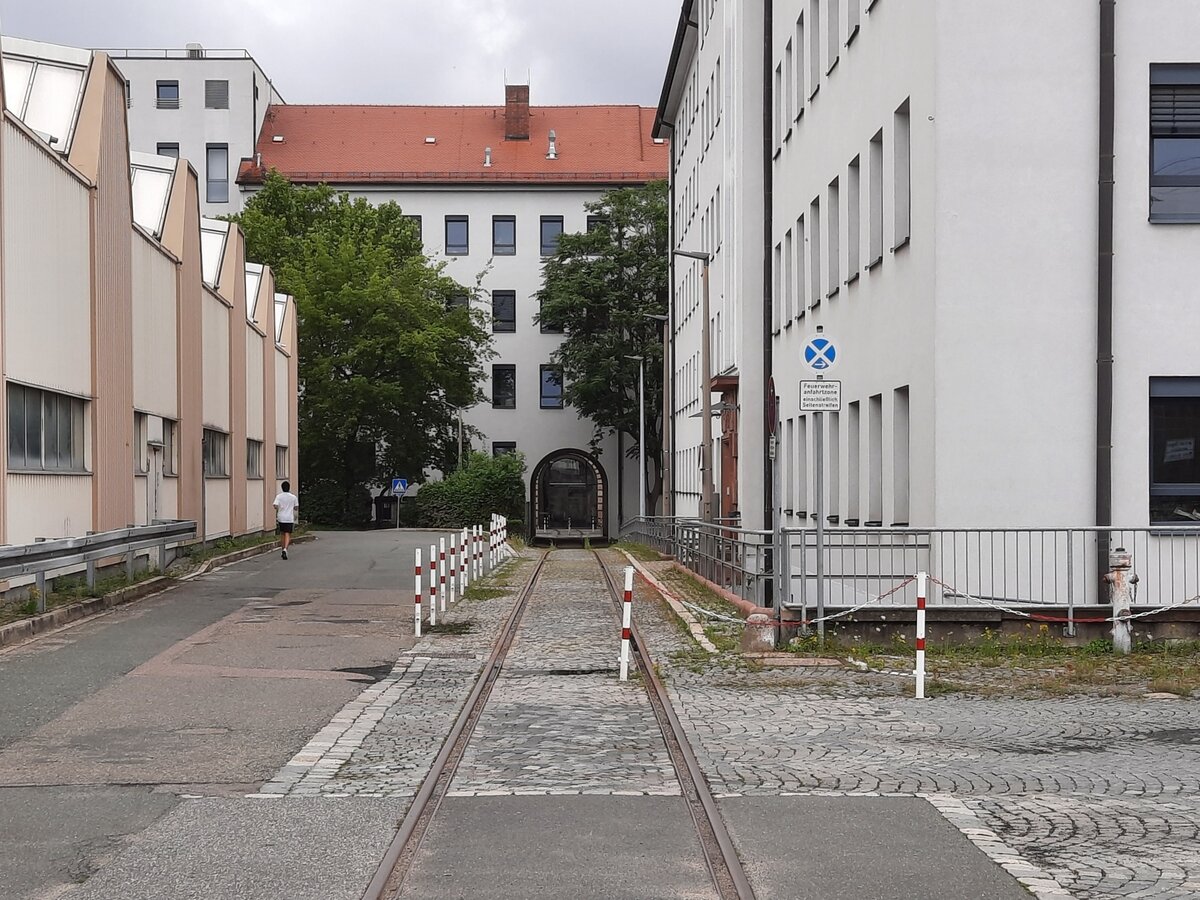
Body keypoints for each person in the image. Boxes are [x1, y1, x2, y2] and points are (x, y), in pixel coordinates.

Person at [273, 481, 299, 560]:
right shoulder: (293, 497)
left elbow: (275, 505)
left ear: (282, 488)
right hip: (289, 518)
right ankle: (285, 549)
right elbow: (296, 507)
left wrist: (279, 508)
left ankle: (282, 549)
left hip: (281, 517)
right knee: (288, 533)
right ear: (289, 487)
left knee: (282, 533)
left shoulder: (279, 496)